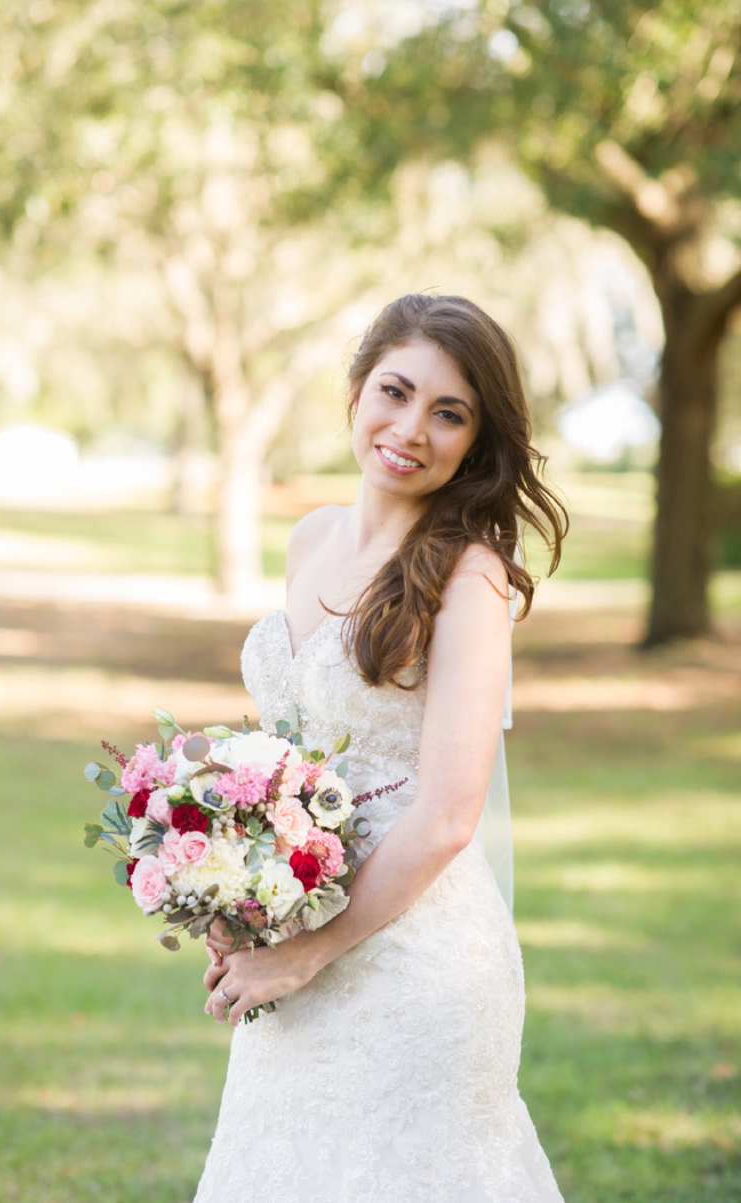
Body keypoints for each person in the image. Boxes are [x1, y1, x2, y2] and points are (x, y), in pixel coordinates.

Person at [195, 294, 568, 1203]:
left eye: (450, 413)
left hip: (416, 967)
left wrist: (310, 950)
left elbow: (445, 816)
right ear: (357, 389)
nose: (412, 428)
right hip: (301, 934)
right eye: (395, 392)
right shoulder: (310, 537)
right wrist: (241, 892)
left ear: (478, 440)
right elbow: (291, 762)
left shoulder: (467, 574)